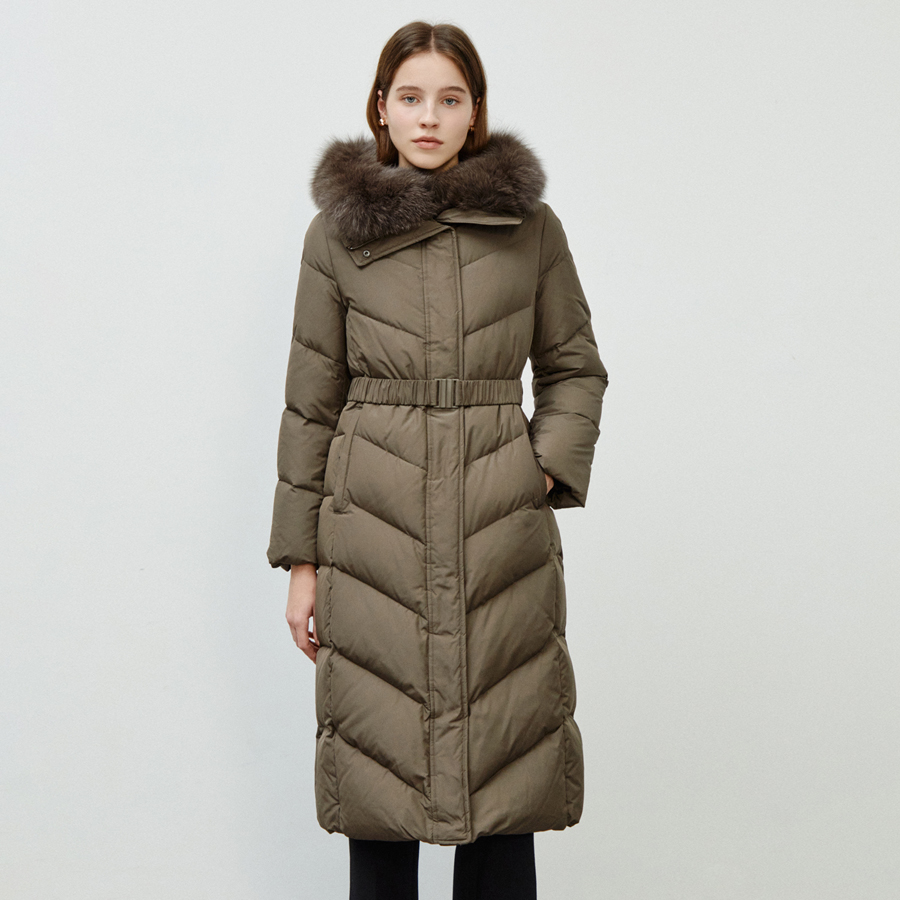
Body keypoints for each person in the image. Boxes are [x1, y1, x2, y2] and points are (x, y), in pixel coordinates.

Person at [267, 21, 609, 900]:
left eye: (449, 99)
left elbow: (573, 367)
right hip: (371, 535)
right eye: (411, 98)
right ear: (381, 108)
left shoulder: (531, 229)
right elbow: (311, 403)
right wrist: (302, 562)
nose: (429, 117)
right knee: (378, 788)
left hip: (499, 532)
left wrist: (535, 472)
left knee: (505, 777)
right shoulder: (335, 235)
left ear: (475, 112)